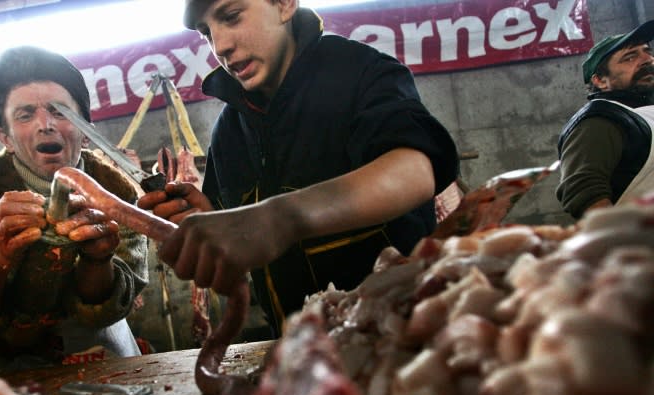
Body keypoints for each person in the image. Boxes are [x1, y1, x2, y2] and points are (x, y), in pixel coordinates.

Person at [138, 0, 459, 337]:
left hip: (403, 338)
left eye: (231, 17)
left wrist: (282, 217)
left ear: (284, 5)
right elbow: (241, 241)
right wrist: (207, 223)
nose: (221, 47)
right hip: (299, 351)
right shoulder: (230, 130)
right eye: (206, 34)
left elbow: (417, 168)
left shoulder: (359, 71)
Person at [0, 46, 148, 376]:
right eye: (25, 115)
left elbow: (113, 308)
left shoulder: (117, 192)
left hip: (85, 336)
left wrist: (98, 261)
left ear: (85, 132)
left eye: (59, 112)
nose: (45, 125)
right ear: (6, 138)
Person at [556, 20, 654, 218]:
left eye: (648, 51)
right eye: (629, 57)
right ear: (600, 81)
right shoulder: (600, 120)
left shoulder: (645, 111)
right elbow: (582, 191)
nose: (647, 60)